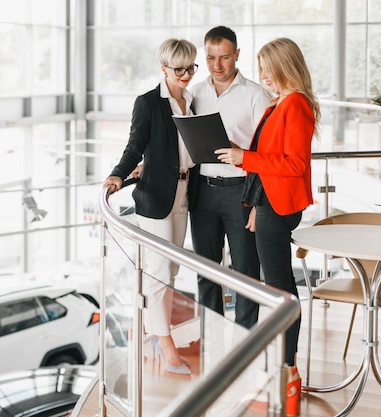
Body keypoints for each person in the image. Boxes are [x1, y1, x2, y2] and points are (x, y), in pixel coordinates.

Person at [215, 37, 319, 416]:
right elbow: (270, 158)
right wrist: (247, 171)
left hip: (280, 206)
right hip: (268, 203)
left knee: (280, 293)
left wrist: (245, 157)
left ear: (284, 66)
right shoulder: (280, 104)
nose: (263, 77)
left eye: (267, 69)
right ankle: (281, 368)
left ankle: (286, 369)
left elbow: (293, 164)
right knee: (275, 289)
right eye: (260, 70)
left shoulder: (297, 105)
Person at [103, 38, 199, 375]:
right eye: (179, 69)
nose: (186, 74)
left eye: (191, 67)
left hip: (185, 193)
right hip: (156, 196)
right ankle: (165, 341)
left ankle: (155, 333)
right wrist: (117, 174)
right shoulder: (148, 102)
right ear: (163, 68)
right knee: (158, 271)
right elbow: (136, 145)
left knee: (170, 271)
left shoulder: (191, 100)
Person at [189, 26, 271, 329]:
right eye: (210, 58)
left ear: (237, 54)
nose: (217, 65)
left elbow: (268, 153)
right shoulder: (194, 93)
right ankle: (212, 342)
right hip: (203, 193)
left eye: (224, 57)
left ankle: (245, 344)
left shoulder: (256, 95)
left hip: (243, 192)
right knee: (206, 271)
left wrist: (259, 204)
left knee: (246, 272)